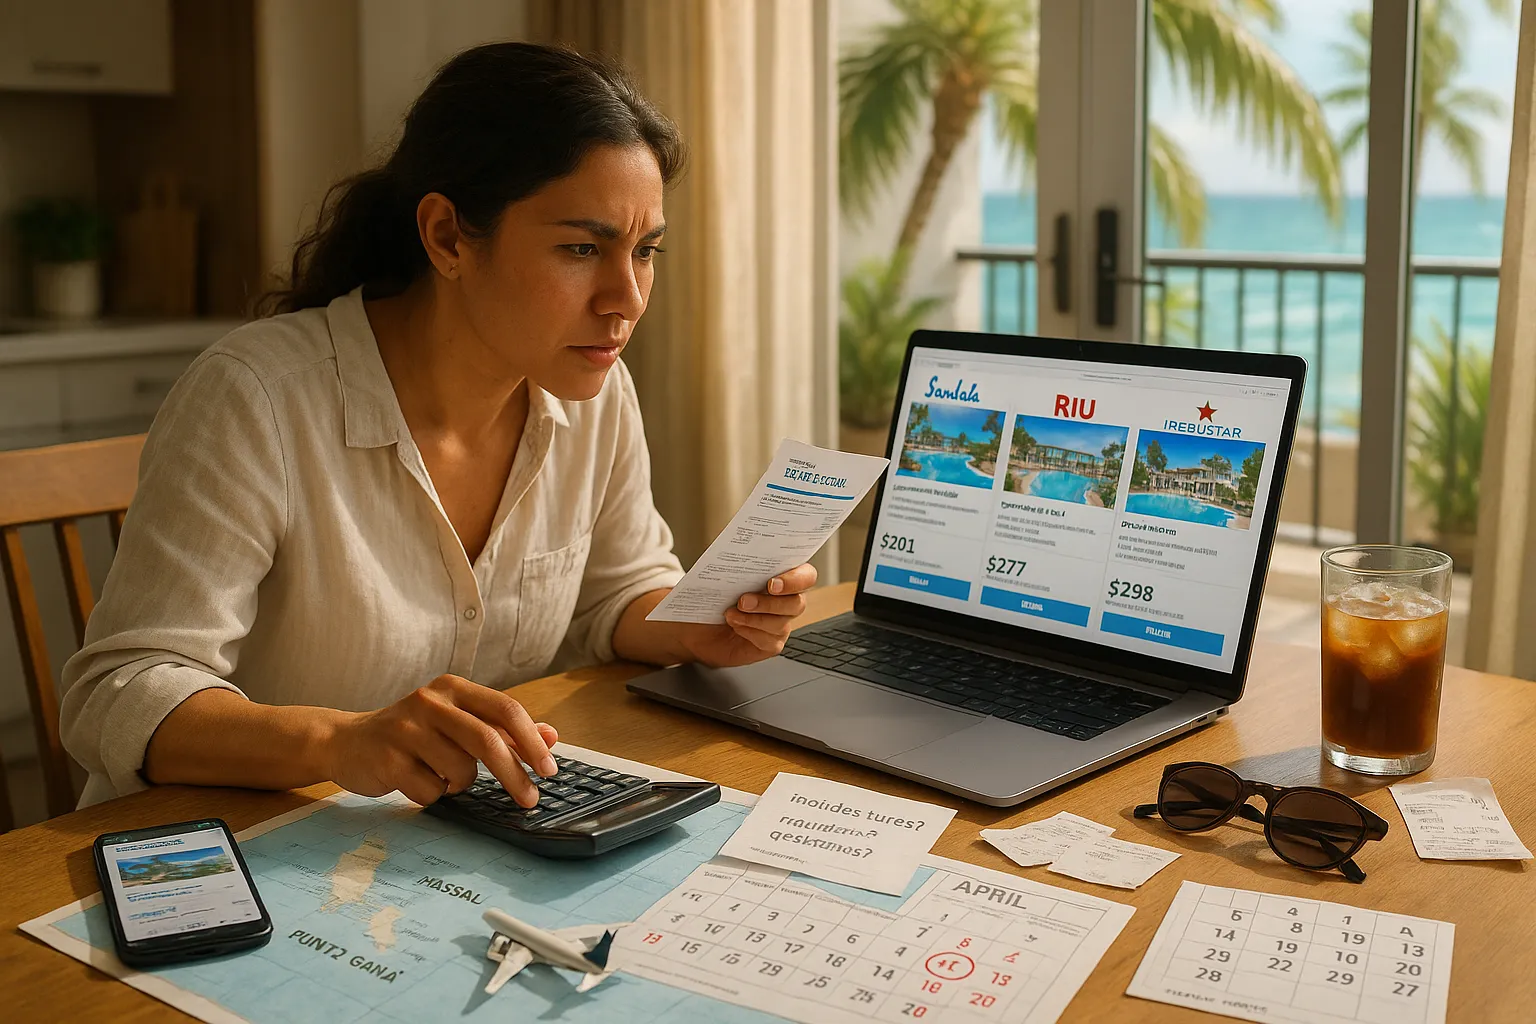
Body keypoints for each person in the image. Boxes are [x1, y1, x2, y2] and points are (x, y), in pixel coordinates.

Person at [59, 43, 815, 810]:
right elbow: (120, 693)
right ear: (448, 236)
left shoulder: (594, 392)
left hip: (433, 856)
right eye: (582, 248)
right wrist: (340, 742)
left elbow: (611, 597)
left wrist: (694, 627)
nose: (626, 298)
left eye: (645, 251)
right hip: (236, 846)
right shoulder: (256, 398)